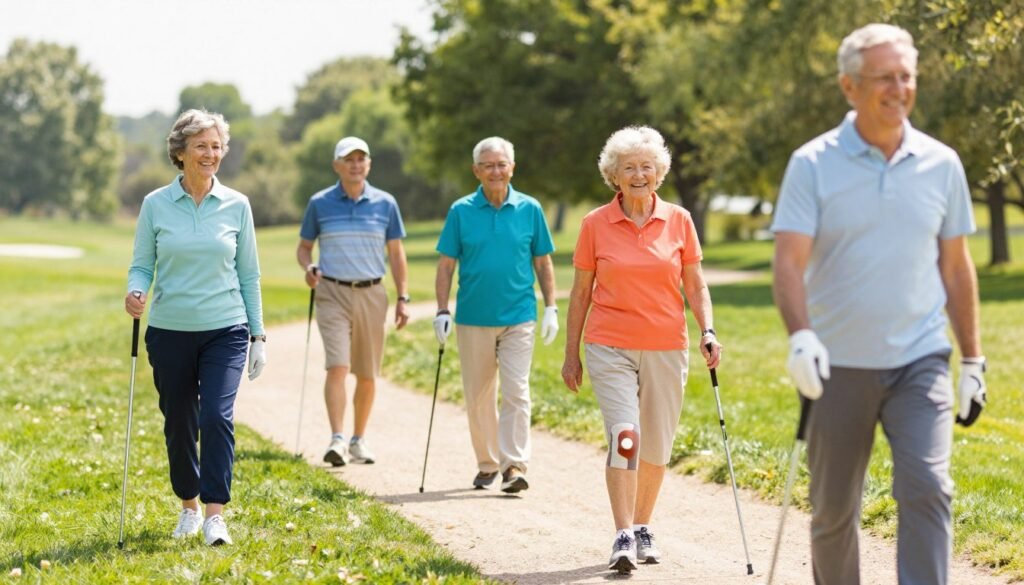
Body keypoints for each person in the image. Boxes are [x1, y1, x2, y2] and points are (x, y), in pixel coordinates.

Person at [771, 23, 987, 585]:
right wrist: (801, 335)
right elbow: (789, 263)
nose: (898, 88)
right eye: (884, 78)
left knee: (927, 487)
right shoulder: (812, 163)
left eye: (906, 76)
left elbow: (957, 266)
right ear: (849, 86)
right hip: (836, 364)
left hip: (920, 360)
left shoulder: (942, 163)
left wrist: (972, 361)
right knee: (834, 511)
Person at [561, 126, 722, 573]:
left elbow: (695, 283)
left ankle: (644, 524)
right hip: (609, 344)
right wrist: (571, 353)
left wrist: (707, 330)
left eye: (646, 167)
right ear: (614, 175)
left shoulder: (680, 220)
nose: (638, 174)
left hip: (667, 346)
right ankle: (622, 534)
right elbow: (579, 294)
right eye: (628, 167)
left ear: (659, 173)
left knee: (655, 445)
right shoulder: (595, 224)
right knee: (626, 436)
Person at [125, 109, 266, 546]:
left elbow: (249, 275)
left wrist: (257, 335)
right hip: (169, 329)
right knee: (180, 420)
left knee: (216, 416)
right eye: (201, 146)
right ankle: (188, 506)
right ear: (181, 152)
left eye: (216, 146)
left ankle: (214, 515)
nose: (211, 154)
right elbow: (142, 264)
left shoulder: (237, 205)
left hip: (225, 328)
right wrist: (135, 291)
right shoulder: (155, 204)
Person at [433, 136, 558, 494]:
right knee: (478, 394)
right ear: (476, 170)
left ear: (512, 168)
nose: (495, 171)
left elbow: (543, 261)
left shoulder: (530, 209)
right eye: (487, 165)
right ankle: (487, 464)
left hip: (519, 315)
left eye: (501, 164)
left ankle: (514, 465)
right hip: (473, 317)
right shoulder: (461, 211)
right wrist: (442, 309)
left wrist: (550, 306)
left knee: (516, 389)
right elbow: (445, 266)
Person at [297, 136, 410, 467]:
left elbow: (397, 253)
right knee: (338, 365)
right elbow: (304, 247)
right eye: (349, 159)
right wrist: (309, 267)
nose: (356, 164)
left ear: (369, 164)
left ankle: (358, 439)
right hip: (331, 291)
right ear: (337, 166)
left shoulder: (385, 203)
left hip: (373, 294)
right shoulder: (320, 203)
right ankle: (337, 439)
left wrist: (403, 297)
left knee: (367, 372)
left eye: (361, 159)